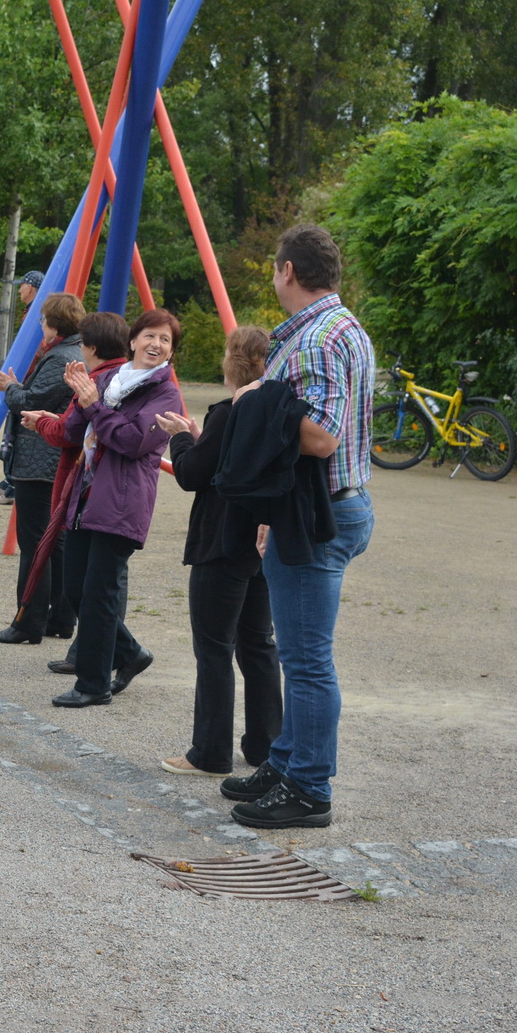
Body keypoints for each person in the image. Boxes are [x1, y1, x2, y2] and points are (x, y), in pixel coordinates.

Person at [218, 225, 375, 829]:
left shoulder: (314, 340)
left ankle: (309, 788)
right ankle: (286, 762)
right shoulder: (345, 329)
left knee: (307, 660)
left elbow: (321, 435)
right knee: (297, 654)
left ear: (286, 270)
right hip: (325, 505)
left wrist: (254, 401)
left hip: (319, 513)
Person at [22, 310, 182, 709]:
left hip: (122, 504)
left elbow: (131, 442)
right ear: (132, 340)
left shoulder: (165, 395)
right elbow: (75, 431)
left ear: (171, 351)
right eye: (149, 336)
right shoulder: (109, 379)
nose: (155, 345)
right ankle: (130, 653)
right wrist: (64, 408)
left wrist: (94, 406)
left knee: (99, 592)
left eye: (164, 340)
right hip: (85, 498)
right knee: (76, 589)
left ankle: (93, 684)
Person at [156, 326, 282, 777]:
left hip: (221, 540)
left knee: (214, 647)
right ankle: (266, 744)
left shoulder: (230, 412)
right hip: (259, 541)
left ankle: (209, 751)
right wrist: (197, 434)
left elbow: (191, 473)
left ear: (232, 360)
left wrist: (181, 437)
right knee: (258, 645)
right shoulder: (273, 411)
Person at [0, 291, 85, 643]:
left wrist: (8, 386)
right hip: (53, 459)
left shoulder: (59, 357)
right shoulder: (69, 353)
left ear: (54, 324)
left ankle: (29, 621)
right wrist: (13, 386)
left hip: (41, 461)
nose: (40, 324)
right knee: (55, 542)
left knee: (35, 543)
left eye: (42, 319)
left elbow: (29, 403)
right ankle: (59, 617)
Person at [0, 271, 46, 505]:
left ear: (31, 288)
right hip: (23, 381)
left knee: (17, 432)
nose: (19, 290)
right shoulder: (33, 313)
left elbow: (37, 351)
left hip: (25, 383)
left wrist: (18, 380)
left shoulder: (37, 315)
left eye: (22, 286)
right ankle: (8, 482)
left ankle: (12, 485)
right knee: (13, 432)